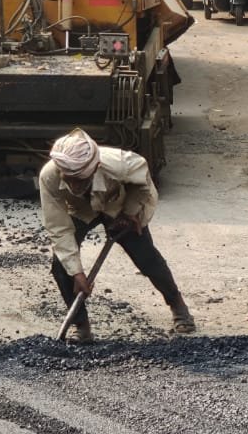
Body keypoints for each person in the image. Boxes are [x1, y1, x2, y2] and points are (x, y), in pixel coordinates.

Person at [39, 129, 195, 344]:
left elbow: (144, 184)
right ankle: (81, 327)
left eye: (79, 180)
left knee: (146, 257)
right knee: (61, 266)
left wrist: (130, 212)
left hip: (117, 205)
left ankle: (178, 305)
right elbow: (59, 228)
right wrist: (77, 273)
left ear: (94, 169)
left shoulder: (122, 164)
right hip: (81, 210)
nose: (74, 186)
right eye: (69, 180)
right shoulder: (49, 176)